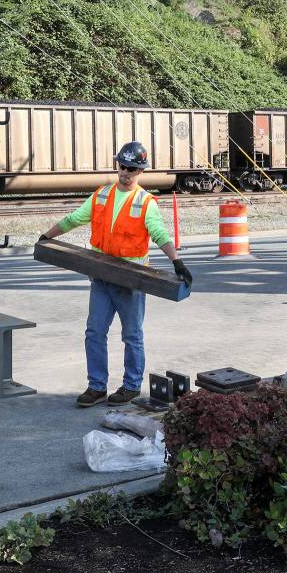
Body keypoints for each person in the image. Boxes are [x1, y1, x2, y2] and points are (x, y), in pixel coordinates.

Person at [39, 141, 192, 407]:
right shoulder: (101, 195)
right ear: (117, 164)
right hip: (101, 275)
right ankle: (96, 387)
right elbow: (75, 218)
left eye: (132, 169)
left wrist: (176, 261)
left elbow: (158, 233)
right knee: (94, 332)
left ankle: (131, 386)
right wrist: (47, 236)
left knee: (132, 335)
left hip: (131, 280)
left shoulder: (145, 202)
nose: (126, 172)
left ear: (140, 171)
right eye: (123, 166)